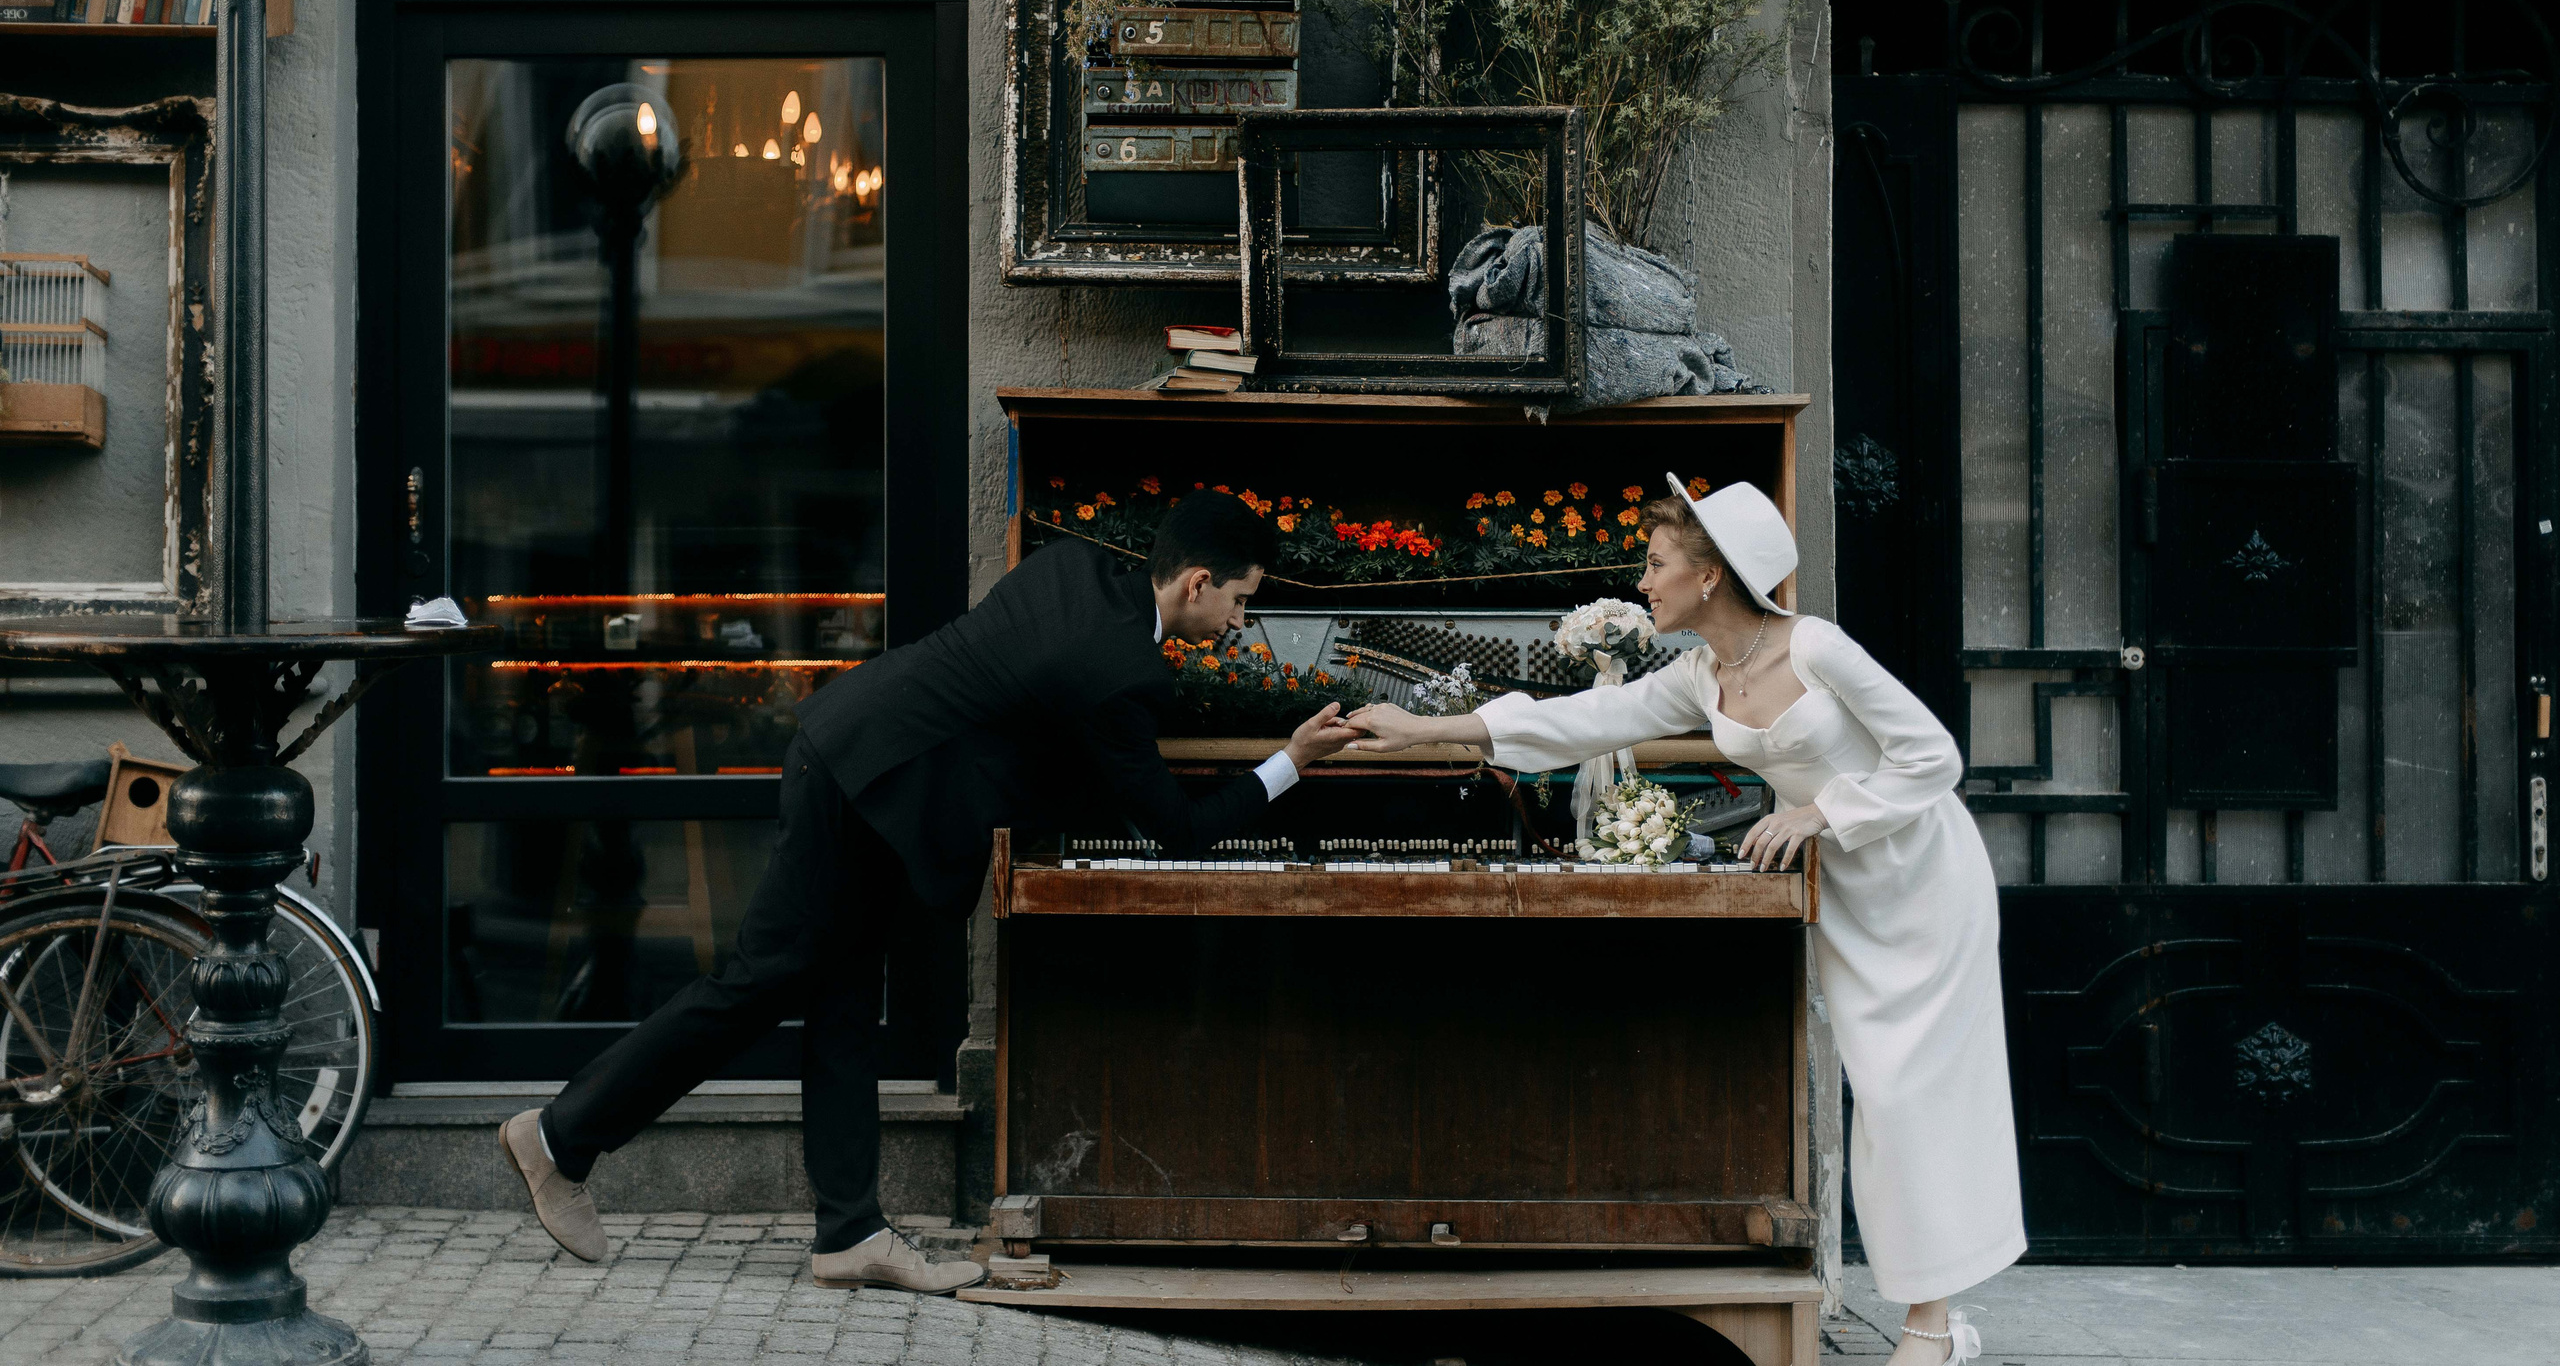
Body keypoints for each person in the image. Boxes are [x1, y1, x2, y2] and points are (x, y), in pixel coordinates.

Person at [500, 491, 1362, 1293]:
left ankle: (849, 1233)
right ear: (1198, 581)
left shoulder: (1075, 569)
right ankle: (560, 1136)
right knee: (757, 984)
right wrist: (1294, 760)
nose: (1240, 624)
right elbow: (1175, 828)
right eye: (1241, 602)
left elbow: (1026, 712)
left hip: (874, 779)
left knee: (839, 1002)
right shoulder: (1120, 672)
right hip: (860, 780)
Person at [1345, 477, 2022, 1366]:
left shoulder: (1815, 646)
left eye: (1657, 563)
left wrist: (1820, 813)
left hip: (1922, 876)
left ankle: (1933, 1325)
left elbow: (1935, 754)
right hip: (1848, 894)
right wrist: (1427, 729)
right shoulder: (1703, 673)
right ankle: (1935, 1318)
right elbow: (1584, 718)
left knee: (1910, 1095)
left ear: (1711, 577)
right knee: (1881, 1091)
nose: (1643, 581)